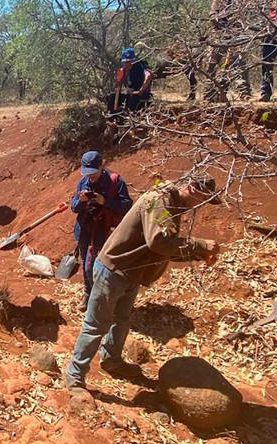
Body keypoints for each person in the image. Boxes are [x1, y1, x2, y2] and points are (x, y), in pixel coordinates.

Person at [65, 173, 222, 393]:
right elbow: (158, 241)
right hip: (114, 269)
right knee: (96, 324)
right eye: (203, 198)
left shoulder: (170, 202)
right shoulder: (160, 199)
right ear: (192, 188)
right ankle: (74, 374)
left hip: (132, 271)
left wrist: (197, 254)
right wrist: (200, 245)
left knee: (121, 320)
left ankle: (111, 360)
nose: (201, 204)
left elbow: (162, 247)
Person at [70, 150, 133, 313]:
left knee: (93, 267)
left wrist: (104, 201)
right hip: (84, 230)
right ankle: (88, 295)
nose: (90, 176)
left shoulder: (115, 181)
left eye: (93, 172)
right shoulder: (82, 182)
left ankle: (101, 300)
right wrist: (81, 201)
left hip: (103, 231)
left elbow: (126, 205)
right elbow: (74, 207)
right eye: (87, 173)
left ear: (101, 166)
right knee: (85, 264)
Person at [204, 0, 252, 102]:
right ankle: (209, 93)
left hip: (236, 37)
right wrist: (223, 24)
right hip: (219, 36)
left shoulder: (239, 3)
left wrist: (236, 28)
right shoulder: (218, 2)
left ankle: (244, 93)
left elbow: (243, 20)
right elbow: (212, 17)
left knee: (238, 64)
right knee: (211, 65)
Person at [106, 47, 153, 114]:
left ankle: (130, 115)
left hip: (142, 98)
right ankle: (112, 116)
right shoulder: (123, 71)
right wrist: (118, 81)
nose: (127, 64)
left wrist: (140, 91)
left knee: (134, 97)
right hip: (130, 97)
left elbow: (149, 75)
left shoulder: (141, 67)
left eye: (129, 61)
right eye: (125, 62)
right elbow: (118, 86)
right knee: (111, 97)